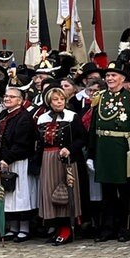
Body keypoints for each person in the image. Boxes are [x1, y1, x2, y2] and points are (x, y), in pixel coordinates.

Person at [88, 60, 130, 242]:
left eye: (114, 75)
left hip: (123, 150)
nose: (110, 78)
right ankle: (107, 227)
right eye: (108, 75)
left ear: (123, 78)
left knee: (124, 191)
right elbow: (93, 128)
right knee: (107, 192)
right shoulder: (100, 98)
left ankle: (125, 227)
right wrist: (91, 154)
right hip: (104, 148)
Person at [38, 86, 87, 245]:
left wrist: (69, 149)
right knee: (50, 192)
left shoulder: (72, 116)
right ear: (49, 102)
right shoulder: (42, 118)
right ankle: (56, 227)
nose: (59, 102)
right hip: (48, 159)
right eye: (55, 100)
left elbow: (82, 139)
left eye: (61, 99)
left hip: (65, 159)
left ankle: (67, 228)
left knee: (66, 192)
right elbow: (39, 142)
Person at [0, 86, 39, 241]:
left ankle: (24, 228)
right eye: (6, 96)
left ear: (20, 101)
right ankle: (13, 227)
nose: (7, 99)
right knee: (8, 195)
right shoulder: (3, 115)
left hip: (19, 161)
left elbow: (23, 142)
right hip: (4, 161)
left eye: (12, 97)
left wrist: (8, 158)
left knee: (21, 195)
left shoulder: (24, 118)